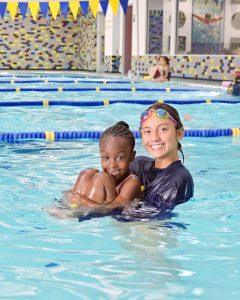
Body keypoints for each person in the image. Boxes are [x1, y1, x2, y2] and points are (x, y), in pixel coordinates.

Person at [129, 102, 194, 211]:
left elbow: (152, 223)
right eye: (147, 131)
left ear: (179, 134)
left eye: (163, 129)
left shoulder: (178, 178)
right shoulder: (138, 165)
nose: (154, 138)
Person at [68, 121, 142, 213]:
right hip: (94, 209)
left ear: (132, 156)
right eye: (106, 157)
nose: (112, 165)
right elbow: (69, 193)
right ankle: (68, 209)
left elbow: (113, 208)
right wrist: (73, 198)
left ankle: (75, 212)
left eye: (120, 158)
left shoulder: (132, 182)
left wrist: (84, 202)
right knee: (87, 172)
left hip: (114, 215)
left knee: (103, 177)